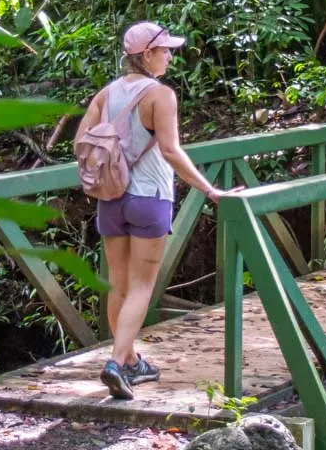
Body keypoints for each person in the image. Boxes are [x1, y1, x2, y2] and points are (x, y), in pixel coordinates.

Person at [74, 21, 233, 401]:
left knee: (119, 283)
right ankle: (116, 363)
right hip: (150, 197)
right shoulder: (160, 96)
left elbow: (81, 141)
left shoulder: (105, 94)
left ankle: (129, 359)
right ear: (146, 55)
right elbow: (170, 150)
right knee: (142, 286)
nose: (170, 56)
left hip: (110, 197)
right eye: (164, 51)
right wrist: (209, 189)